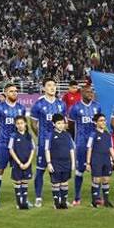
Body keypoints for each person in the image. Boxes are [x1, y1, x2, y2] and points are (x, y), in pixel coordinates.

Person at [0, 83, 24, 208]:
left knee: (18, 172)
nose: (14, 93)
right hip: (3, 144)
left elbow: (22, 126)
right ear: (6, 93)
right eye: (11, 91)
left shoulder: (21, 108)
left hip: (17, 145)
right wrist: (2, 135)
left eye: (16, 91)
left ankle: (21, 199)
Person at [30, 78, 65, 208]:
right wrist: (40, 136)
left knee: (58, 171)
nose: (52, 88)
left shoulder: (61, 105)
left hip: (58, 145)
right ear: (44, 88)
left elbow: (63, 123)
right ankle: (38, 197)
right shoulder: (38, 105)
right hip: (44, 144)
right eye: (49, 85)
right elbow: (33, 123)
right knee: (40, 171)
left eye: (54, 85)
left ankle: (60, 197)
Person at [69, 86, 102, 206]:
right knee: (79, 171)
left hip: (95, 143)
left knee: (96, 170)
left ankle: (97, 196)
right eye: (87, 92)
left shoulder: (97, 106)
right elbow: (71, 125)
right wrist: (76, 140)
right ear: (82, 93)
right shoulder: (75, 108)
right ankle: (77, 197)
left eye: (91, 92)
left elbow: (100, 124)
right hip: (81, 143)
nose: (90, 94)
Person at [45, 114, 74, 210]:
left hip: (66, 163)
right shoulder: (50, 135)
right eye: (58, 123)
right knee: (56, 183)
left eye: (62, 123)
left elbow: (71, 150)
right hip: (55, 163)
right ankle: (56, 203)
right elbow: (47, 149)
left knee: (65, 183)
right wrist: (49, 163)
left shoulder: (67, 135)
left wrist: (73, 163)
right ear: (53, 124)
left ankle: (64, 202)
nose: (61, 125)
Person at [87, 112, 114, 208]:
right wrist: (88, 163)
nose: (103, 122)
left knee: (106, 180)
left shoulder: (107, 134)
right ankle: (94, 201)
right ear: (95, 122)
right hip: (96, 160)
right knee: (96, 180)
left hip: (106, 160)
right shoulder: (93, 134)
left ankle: (106, 201)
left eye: (104, 120)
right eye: (101, 120)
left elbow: (111, 148)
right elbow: (89, 148)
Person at [6, 112, 34, 210]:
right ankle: (19, 203)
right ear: (15, 125)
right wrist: (19, 163)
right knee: (18, 182)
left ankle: (24, 201)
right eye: (18, 123)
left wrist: (28, 162)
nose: (20, 125)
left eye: (21, 123)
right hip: (17, 164)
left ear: (25, 123)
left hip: (27, 163)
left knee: (25, 182)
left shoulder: (29, 136)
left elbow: (32, 149)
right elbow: (11, 149)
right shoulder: (13, 136)